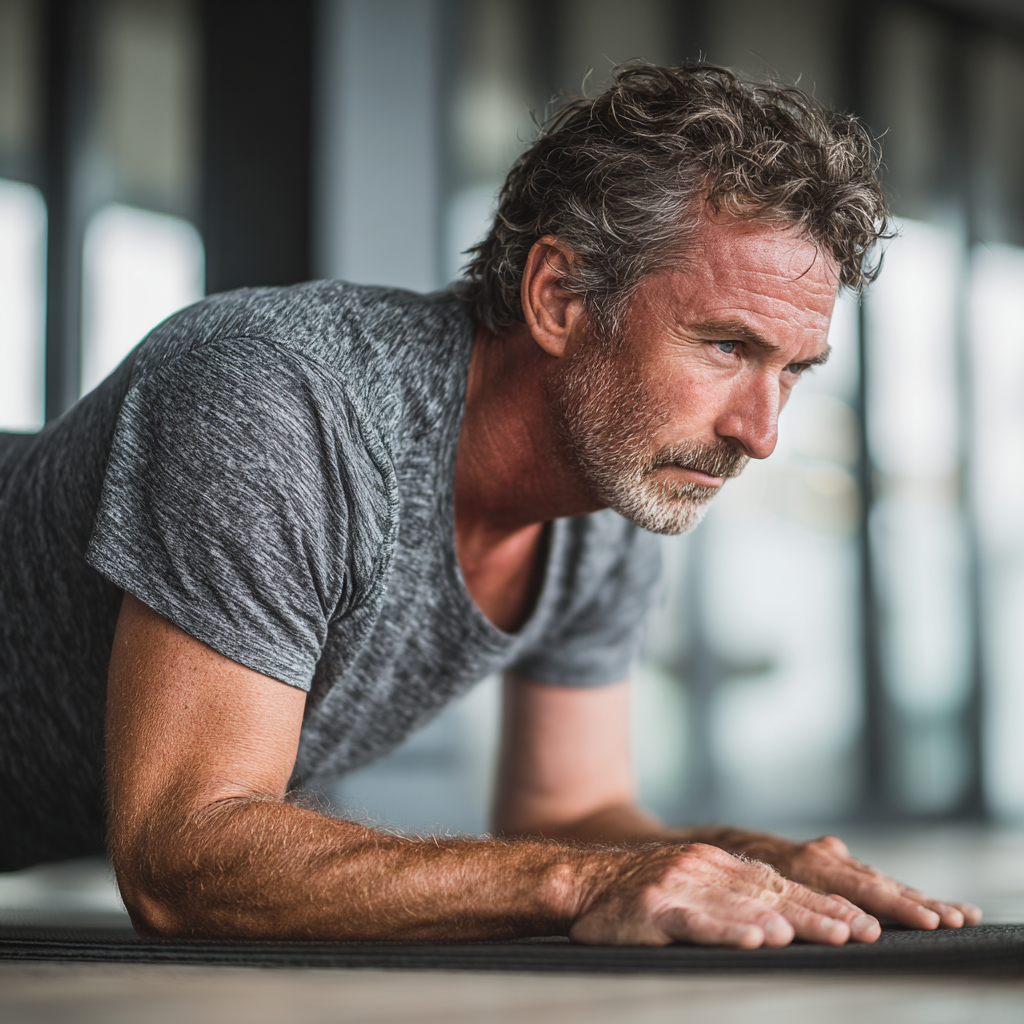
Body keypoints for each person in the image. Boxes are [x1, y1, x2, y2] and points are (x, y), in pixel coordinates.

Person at [0, 63, 980, 947]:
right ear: (558, 295)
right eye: (726, 346)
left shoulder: (614, 491)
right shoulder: (281, 402)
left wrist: (751, 861)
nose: (760, 432)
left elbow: (572, 810)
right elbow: (180, 853)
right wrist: (583, 880)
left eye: (793, 370)